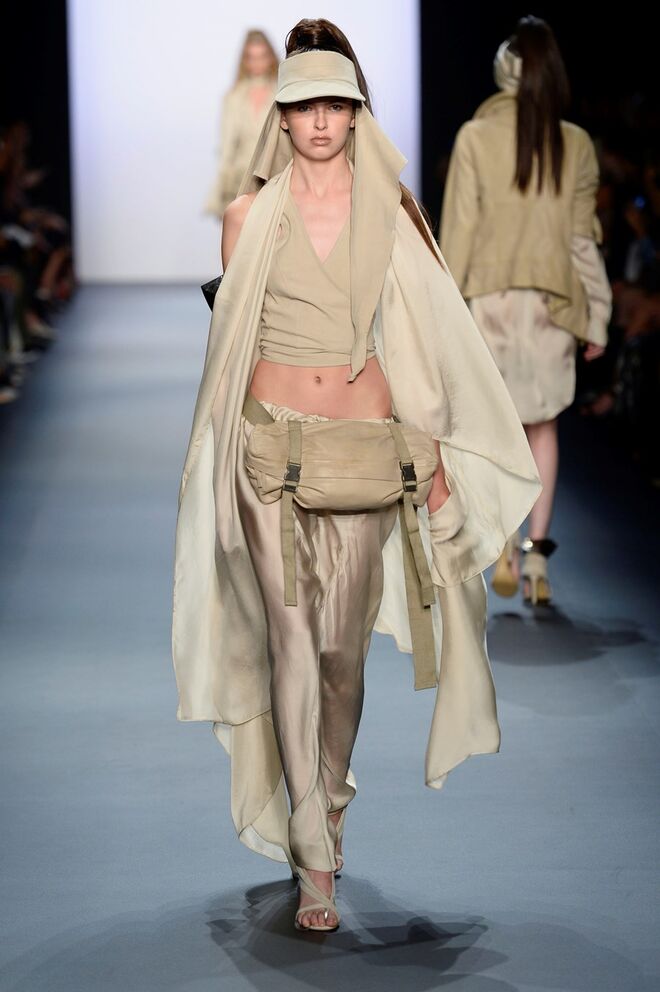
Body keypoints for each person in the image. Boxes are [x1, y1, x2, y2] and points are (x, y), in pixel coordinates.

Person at [172, 19, 542, 934]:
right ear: (282, 117)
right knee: (292, 642)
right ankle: (311, 847)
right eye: (305, 106)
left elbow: (424, 348)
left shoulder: (396, 216)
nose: (321, 121)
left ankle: (329, 794)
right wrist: (214, 467)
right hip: (269, 451)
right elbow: (233, 350)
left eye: (336, 105)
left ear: (356, 113)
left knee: (342, 654)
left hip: (368, 454)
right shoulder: (248, 218)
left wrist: (435, 462)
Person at [439, 16, 612, 606]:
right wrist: (598, 314)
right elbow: (582, 240)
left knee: (493, 427)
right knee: (543, 427)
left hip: (488, 299)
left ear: (502, 72)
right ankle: (538, 557)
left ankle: (507, 544)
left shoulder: (474, 138)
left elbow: (459, 233)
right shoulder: (576, 144)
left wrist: (442, 312)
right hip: (552, 303)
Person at [203, 29, 278, 219]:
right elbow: (226, 148)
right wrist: (220, 190)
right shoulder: (233, 98)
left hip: (274, 179)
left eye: (262, 56)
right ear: (244, 60)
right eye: (251, 57)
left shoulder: (282, 94)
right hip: (239, 181)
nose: (257, 63)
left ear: (271, 58)